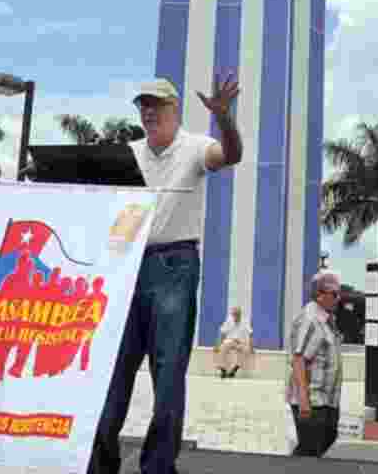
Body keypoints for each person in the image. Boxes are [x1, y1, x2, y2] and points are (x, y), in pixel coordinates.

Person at [88, 74, 243, 474]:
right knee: (113, 369)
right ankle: (99, 461)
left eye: (156, 104)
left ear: (175, 109)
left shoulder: (195, 148)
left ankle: (158, 465)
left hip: (175, 266)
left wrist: (224, 118)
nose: (149, 111)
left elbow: (231, 154)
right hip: (126, 265)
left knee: (169, 372)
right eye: (143, 105)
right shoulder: (129, 152)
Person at [286, 269, 344, 458]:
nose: (338, 298)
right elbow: (298, 359)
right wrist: (303, 400)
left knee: (325, 439)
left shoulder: (328, 320)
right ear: (319, 295)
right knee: (310, 450)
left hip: (327, 400)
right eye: (334, 294)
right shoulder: (310, 319)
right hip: (312, 399)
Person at [215, 306, 252, 379]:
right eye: (234, 314)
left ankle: (234, 369)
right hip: (229, 341)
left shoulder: (245, 321)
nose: (235, 316)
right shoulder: (229, 320)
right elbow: (223, 332)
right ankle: (223, 370)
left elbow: (250, 334)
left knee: (246, 350)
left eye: (237, 314)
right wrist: (218, 345)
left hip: (239, 342)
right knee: (222, 348)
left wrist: (251, 346)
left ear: (240, 314)